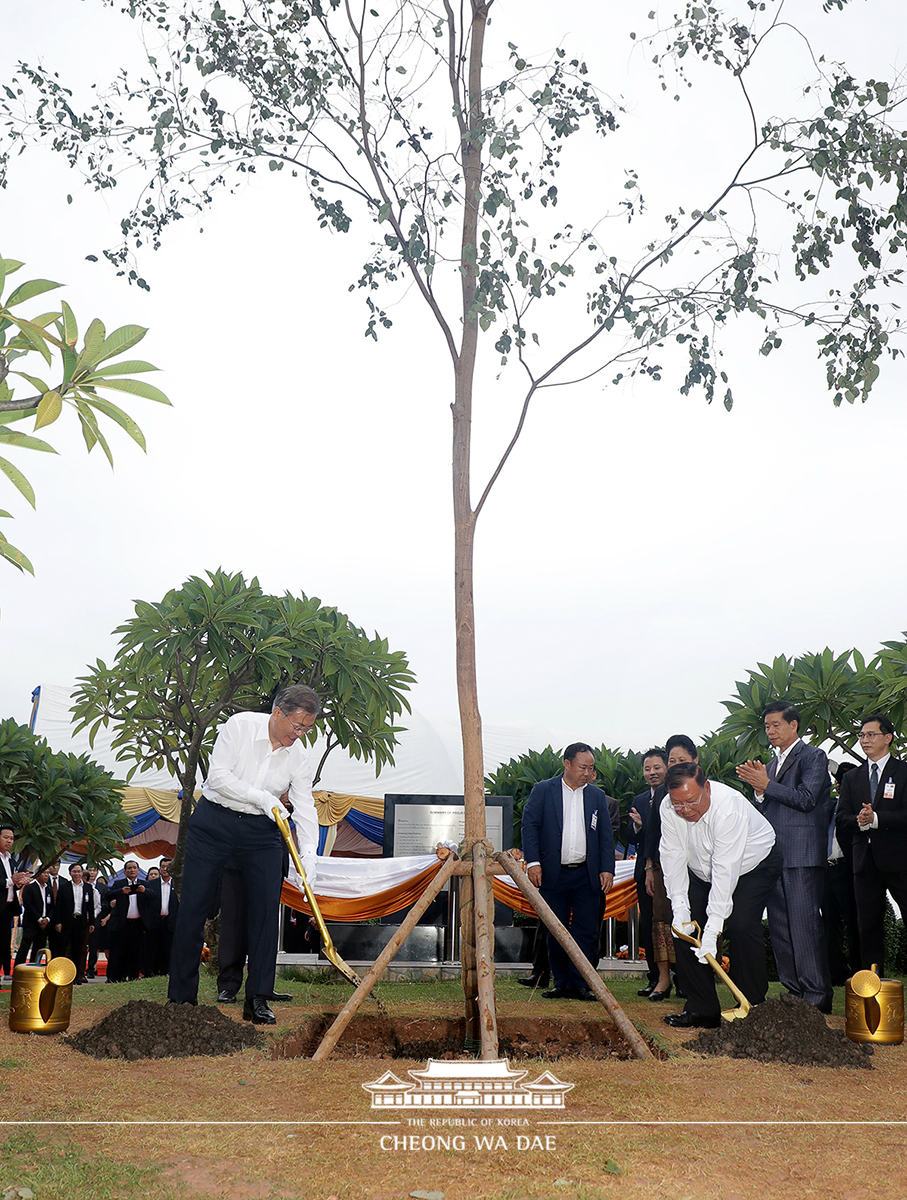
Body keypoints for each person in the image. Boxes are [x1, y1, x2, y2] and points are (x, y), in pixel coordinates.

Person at [167, 684, 321, 1024]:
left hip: (261, 833)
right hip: (214, 823)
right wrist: (262, 797)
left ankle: (258, 999)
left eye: (307, 728)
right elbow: (219, 778)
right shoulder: (239, 726)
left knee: (266, 913)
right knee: (193, 907)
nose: (300, 734)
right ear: (278, 712)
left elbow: (306, 806)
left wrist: (309, 856)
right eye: (297, 725)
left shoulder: (300, 756)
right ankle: (180, 1000)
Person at [660, 761, 781, 1029]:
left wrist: (713, 930)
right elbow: (673, 857)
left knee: (740, 924)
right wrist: (680, 909)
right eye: (678, 804)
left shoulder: (729, 807)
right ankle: (702, 1010)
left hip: (753, 864)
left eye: (690, 802)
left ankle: (753, 1006)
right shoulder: (669, 808)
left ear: (707, 788)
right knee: (683, 928)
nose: (685, 810)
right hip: (700, 870)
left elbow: (725, 869)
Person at [736, 701, 834, 1012]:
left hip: (802, 854)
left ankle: (816, 997)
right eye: (767, 726)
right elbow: (769, 807)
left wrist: (766, 784)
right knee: (780, 928)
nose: (770, 731)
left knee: (804, 926)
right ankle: (794, 995)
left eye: (776, 724)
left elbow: (806, 799)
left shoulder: (813, 756)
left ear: (794, 725)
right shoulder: (772, 763)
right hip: (774, 856)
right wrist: (760, 790)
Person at [521, 742, 615, 1000]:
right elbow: (530, 827)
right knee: (556, 929)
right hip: (554, 873)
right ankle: (561, 982)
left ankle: (581, 983)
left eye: (591, 768)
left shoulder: (596, 796)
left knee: (586, 931)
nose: (587, 772)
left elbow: (606, 835)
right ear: (567, 764)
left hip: (587, 875)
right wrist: (533, 863)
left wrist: (607, 868)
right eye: (583, 767)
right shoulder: (543, 790)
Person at [835, 714, 907, 976]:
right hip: (864, 862)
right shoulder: (853, 778)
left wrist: (877, 819)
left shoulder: (903, 772)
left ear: (887, 738)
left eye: (870, 735)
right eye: (862, 735)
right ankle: (871, 985)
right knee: (868, 926)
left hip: (900, 860)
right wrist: (861, 820)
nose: (864, 740)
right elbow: (841, 818)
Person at [644, 734, 698, 1001]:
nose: (676, 765)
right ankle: (663, 980)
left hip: (699, 869)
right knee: (662, 920)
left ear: (695, 761)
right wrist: (650, 869)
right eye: (672, 761)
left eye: (682, 760)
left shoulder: (707, 788)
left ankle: (692, 981)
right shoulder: (664, 792)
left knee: (695, 919)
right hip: (665, 869)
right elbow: (653, 832)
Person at [629, 748, 667, 997]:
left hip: (672, 868)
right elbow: (631, 837)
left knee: (674, 924)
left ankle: (683, 979)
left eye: (656, 767)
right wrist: (639, 826)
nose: (652, 772)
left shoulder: (679, 794)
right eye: (647, 768)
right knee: (649, 926)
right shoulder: (639, 800)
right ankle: (655, 978)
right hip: (646, 870)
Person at [106, 860, 147, 981]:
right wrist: (121, 892)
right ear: (125, 872)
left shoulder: (143, 884)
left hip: (138, 924)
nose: (132, 870)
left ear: (138, 871)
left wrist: (144, 891)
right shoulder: (119, 884)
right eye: (129, 868)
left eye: (134, 868)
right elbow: (107, 895)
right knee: (118, 952)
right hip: (121, 924)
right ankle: (116, 977)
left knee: (135, 952)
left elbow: (153, 895)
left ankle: (134, 976)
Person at [139, 857, 179, 977]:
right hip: (154, 922)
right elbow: (143, 904)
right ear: (160, 868)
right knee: (151, 949)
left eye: (168, 866)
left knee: (168, 950)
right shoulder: (151, 884)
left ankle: (167, 973)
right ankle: (150, 973)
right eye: (163, 867)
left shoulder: (177, 884)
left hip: (170, 922)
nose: (165, 869)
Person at [1, 825, 29, 978]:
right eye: (6, 837)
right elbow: (6, 882)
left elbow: (11, 885)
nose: (9, 841)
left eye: (11, 838)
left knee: (3, 945)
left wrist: (20, 882)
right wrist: (10, 880)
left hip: (8, 908)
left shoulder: (10, 860)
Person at [14, 868, 52, 966]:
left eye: (48, 873)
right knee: (25, 947)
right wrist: (39, 919)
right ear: (38, 874)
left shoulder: (49, 889)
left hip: (44, 924)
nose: (46, 875)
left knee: (39, 948)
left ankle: (34, 968)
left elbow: (52, 906)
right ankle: (18, 969)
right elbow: (28, 904)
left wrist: (47, 919)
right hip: (31, 923)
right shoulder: (30, 888)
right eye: (44, 873)